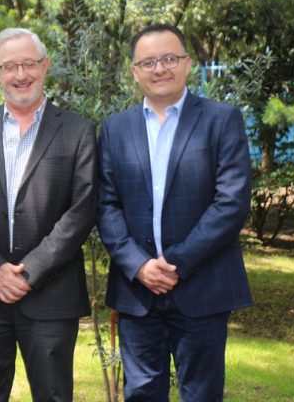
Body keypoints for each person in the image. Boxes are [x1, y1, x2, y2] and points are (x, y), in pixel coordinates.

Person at [97, 23, 253, 401]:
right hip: (138, 291)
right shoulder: (115, 129)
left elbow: (231, 203)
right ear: (135, 71)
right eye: (148, 61)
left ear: (187, 64)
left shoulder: (221, 120)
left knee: (201, 393)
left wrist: (175, 264)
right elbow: (105, 204)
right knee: (141, 393)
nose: (159, 68)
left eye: (169, 58)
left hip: (204, 286)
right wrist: (139, 265)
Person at [0, 28, 97, 402]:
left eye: (29, 64)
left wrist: (29, 271)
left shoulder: (79, 131)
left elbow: (82, 209)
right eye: (10, 66)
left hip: (52, 294)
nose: (21, 75)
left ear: (45, 66)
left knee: (53, 395)